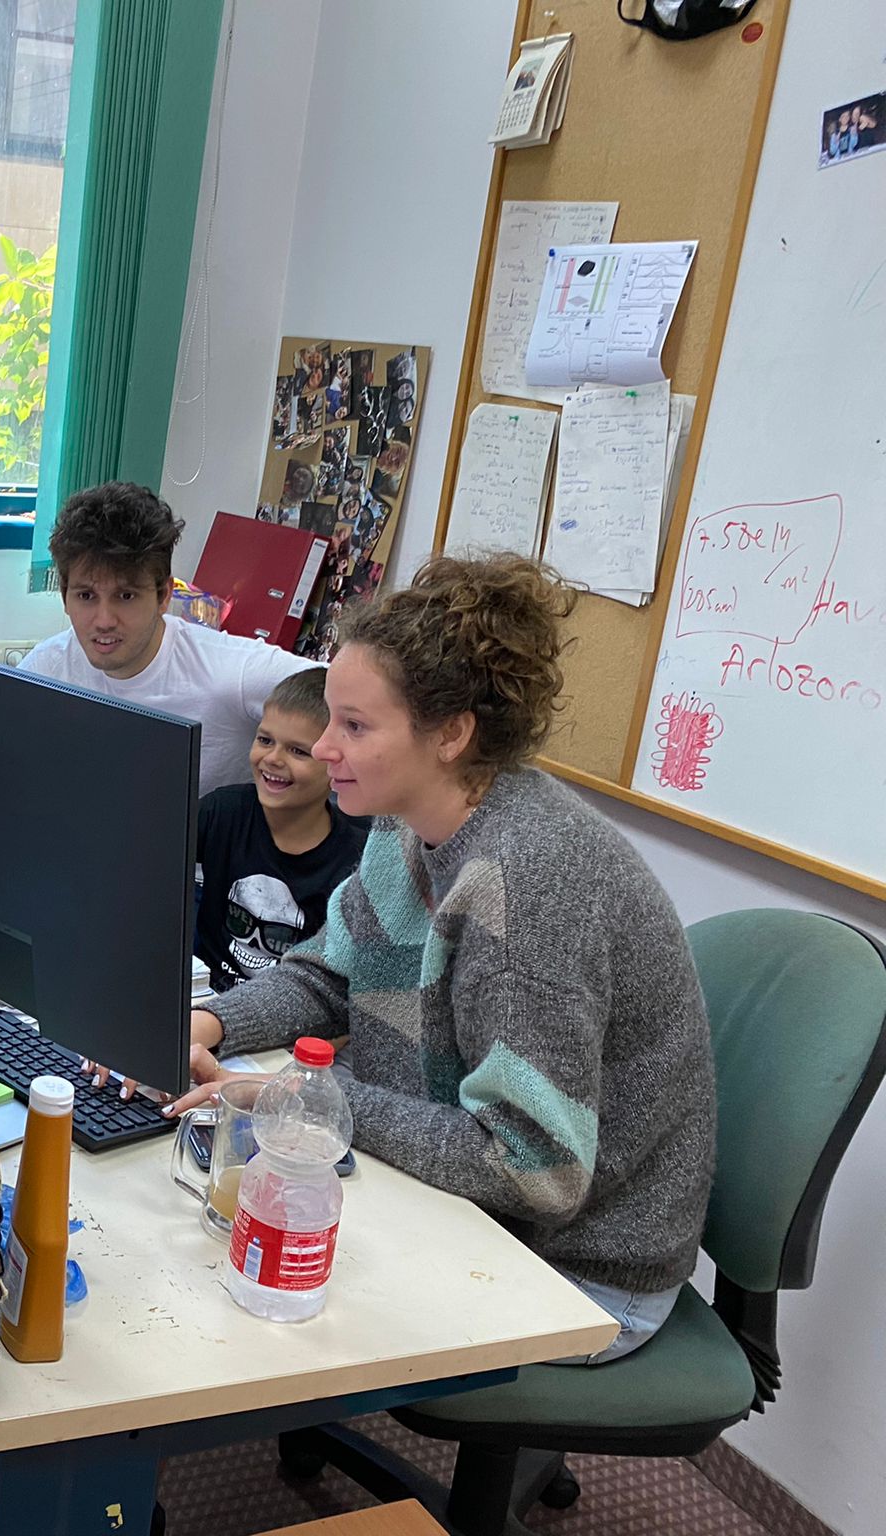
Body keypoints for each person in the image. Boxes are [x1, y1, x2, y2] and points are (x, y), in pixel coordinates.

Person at [172, 554, 715, 1364]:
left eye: (355, 727)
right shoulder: (408, 822)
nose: (325, 747)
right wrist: (206, 1021)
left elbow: (535, 1168)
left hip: (576, 1274)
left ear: (451, 734)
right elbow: (328, 973)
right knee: (219, 1243)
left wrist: (306, 1102)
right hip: (467, 1208)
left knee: (236, 1310)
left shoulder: (530, 886)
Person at [21, 483, 314, 794]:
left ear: (163, 596)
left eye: (126, 595)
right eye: (86, 596)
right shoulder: (45, 670)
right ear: (65, 596)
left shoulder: (230, 673)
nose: (104, 621)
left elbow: (338, 688)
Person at [194, 667, 368, 994]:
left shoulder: (358, 860)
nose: (272, 758)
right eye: (265, 740)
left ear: (337, 764)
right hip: (202, 1000)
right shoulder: (222, 812)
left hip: (295, 1016)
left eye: (298, 751)